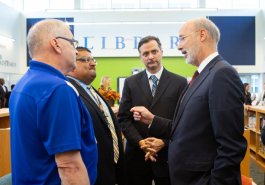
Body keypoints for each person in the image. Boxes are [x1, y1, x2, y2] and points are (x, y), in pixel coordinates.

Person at [130, 18, 247, 185]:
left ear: (202, 35)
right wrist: (152, 120)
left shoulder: (222, 74)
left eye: (182, 38)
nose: (179, 46)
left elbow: (231, 145)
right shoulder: (202, 75)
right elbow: (187, 129)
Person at [9, 19, 97, 185]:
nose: (76, 52)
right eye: (72, 43)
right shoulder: (57, 89)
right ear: (56, 44)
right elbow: (69, 167)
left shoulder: (23, 84)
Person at [118, 35, 187, 185]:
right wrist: (141, 142)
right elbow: (123, 119)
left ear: (162, 52)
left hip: (168, 155)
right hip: (137, 155)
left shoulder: (180, 83)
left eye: (154, 51)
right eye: (145, 54)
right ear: (140, 57)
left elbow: (184, 121)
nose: (150, 57)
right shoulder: (131, 83)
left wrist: (165, 142)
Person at [67, 47, 125, 185]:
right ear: (71, 64)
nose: (92, 63)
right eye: (85, 60)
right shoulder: (69, 91)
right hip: (91, 173)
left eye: (92, 59)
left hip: (109, 170)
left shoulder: (92, 91)